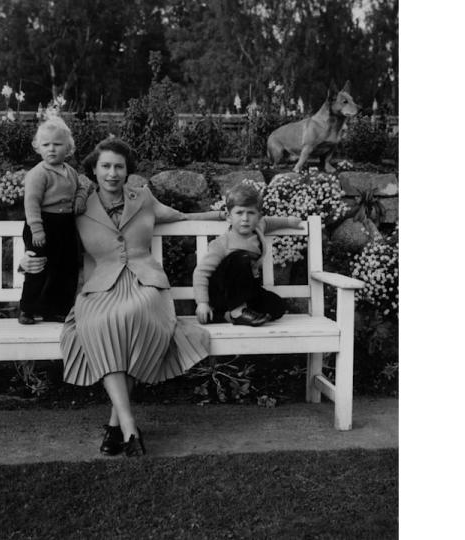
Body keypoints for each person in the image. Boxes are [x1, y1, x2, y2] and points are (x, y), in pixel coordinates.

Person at [19, 137, 221, 457]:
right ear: (94, 171)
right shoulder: (77, 206)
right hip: (101, 287)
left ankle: (119, 426)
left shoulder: (143, 198)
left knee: (135, 316)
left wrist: (221, 216)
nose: (112, 173)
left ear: (128, 171)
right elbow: (49, 241)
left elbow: (179, 216)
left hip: (145, 284)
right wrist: (26, 261)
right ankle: (127, 428)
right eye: (106, 167)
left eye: (119, 167)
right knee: (105, 322)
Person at [18, 117, 94, 325]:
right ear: (38, 148)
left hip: (65, 224)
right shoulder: (38, 174)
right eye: (46, 145)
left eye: (57, 144)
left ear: (68, 148)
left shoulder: (70, 172)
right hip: (41, 224)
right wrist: (37, 230)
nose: (51, 149)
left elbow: (82, 186)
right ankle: (27, 308)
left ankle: (56, 309)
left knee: (64, 268)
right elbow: (31, 203)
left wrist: (79, 198)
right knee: (38, 266)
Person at [193, 183, 302, 327]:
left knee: (276, 307)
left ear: (258, 215)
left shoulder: (258, 228)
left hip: (245, 289)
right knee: (240, 257)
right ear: (229, 216)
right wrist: (202, 303)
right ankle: (237, 311)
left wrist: (288, 221)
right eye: (239, 213)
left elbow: (268, 222)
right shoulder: (222, 243)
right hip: (222, 291)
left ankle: (227, 316)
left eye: (251, 213)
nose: (245, 218)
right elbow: (200, 273)